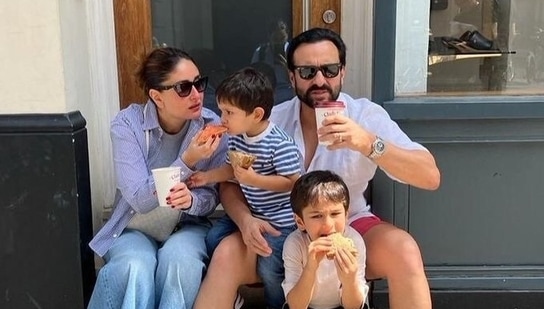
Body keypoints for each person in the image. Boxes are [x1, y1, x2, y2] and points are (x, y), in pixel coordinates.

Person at [195, 28, 440, 309]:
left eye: (330, 69)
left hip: (347, 222)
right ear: (292, 77)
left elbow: (429, 175)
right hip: (278, 226)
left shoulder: (365, 115)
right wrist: (244, 220)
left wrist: (368, 143)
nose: (320, 80)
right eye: (308, 72)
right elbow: (231, 180)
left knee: (404, 251)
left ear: (343, 72)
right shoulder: (269, 120)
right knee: (225, 253)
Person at [88, 47, 228, 309]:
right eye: (183, 88)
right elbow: (140, 200)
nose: (197, 94)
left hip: (188, 226)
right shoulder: (127, 125)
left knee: (181, 263)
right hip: (134, 225)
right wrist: (187, 160)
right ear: (157, 97)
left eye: (199, 83)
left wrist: (191, 202)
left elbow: (212, 197)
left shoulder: (211, 125)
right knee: (133, 266)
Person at [190, 67, 302, 309]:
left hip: (279, 222)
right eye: (221, 111)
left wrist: (255, 180)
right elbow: (232, 170)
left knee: (270, 268)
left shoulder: (279, 144)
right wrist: (206, 177)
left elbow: (294, 183)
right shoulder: (237, 136)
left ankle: (278, 303)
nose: (223, 119)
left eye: (229, 112)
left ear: (256, 114)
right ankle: (231, 294)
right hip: (252, 211)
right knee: (212, 238)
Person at [282, 170, 368, 309]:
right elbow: (295, 305)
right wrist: (311, 268)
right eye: (316, 216)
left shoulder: (354, 241)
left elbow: (354, 306)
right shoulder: (295, 244)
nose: (328, 224)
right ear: (300, 221)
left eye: (335, 213)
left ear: (346, 215)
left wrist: (349, 280)